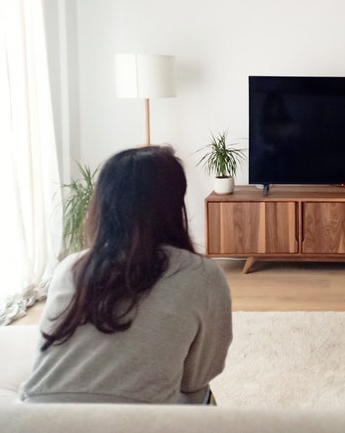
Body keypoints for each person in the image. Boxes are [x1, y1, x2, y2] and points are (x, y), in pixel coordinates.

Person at [20, 146, 232, 405]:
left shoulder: (71, 267)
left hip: (35, 417)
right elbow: (197, 377)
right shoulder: (202, 275)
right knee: (202, 396)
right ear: (173, 203)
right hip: (135, 421)